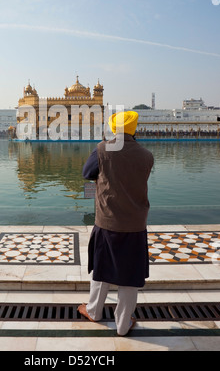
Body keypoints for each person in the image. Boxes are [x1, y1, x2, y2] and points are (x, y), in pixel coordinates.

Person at [78, 111, 154, 336]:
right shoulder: (147, 155)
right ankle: (122, 325)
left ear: (113, 128)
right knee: (129, 275)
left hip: (107, 221)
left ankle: (94, 311)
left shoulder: (102, 149)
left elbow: (87, 173)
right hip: (135, 224)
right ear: (134, 129)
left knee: (101, 269)